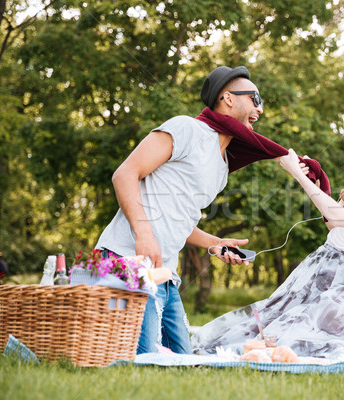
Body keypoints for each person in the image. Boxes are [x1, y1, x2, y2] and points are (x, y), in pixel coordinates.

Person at [191, 106, 344, 358]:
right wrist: (319, 184)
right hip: (320, 265)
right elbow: (334, 223)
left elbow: (340, 216)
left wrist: (297, 174)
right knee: (265, 328)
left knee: (301, 340)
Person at [96, 66, 269, 354]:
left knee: (183, 362)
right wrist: (143, 233)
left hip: (165, 275)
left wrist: (215, 243)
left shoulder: (223, 167)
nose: (259, 109)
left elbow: (180, 219)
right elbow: (125, 174)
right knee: (145, 358)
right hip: (126, 261)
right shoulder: (186, 128)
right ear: (228, 98)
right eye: (255, 98)